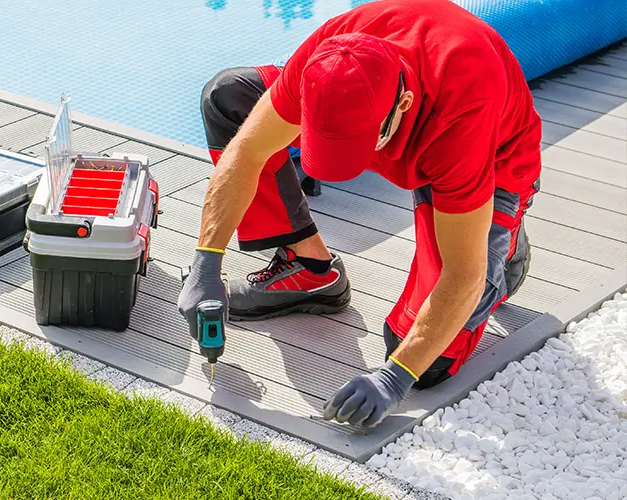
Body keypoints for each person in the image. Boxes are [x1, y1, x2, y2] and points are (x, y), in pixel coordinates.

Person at [178, 0, 541, 428]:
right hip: (414, 126)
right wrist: (207, 260)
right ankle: (310, 270)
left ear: (402, 105)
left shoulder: (461, 115)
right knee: (229, 98)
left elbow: (462, 275)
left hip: (488, 163)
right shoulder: (327, 56)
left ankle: (507, 246)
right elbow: (245, 152)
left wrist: (394, 377)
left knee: (426, 359)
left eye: (358, 147)